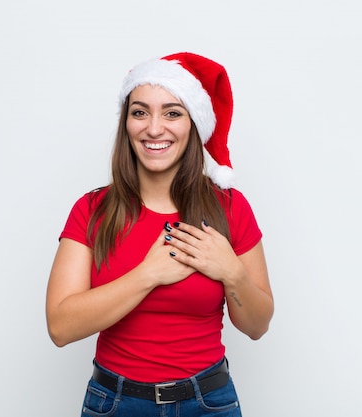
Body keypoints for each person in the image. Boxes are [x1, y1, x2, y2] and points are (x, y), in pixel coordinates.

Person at [46, 52, 274, 417]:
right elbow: (60, 327)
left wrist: (232, 272)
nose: (154, 128)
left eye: (172, 112)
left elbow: (257, 325)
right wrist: (148, 274)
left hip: (208, 403)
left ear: (193, 124)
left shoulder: (230, 207)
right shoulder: (92, 210)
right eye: (140, 112)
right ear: (127, 124)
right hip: (115, 403)